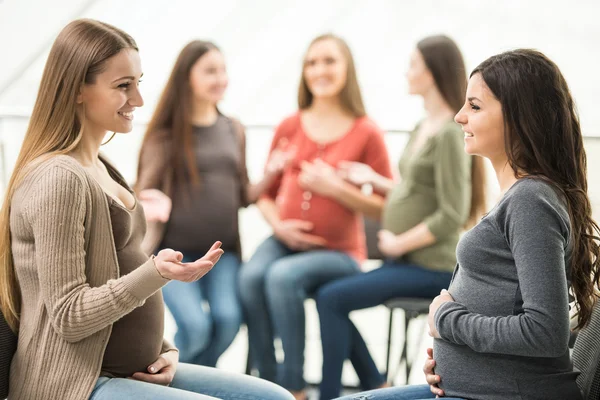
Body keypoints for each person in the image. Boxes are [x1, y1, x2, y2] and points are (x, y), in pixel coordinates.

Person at [0, 19, 294, 400]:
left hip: (127, 370)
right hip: (76, 383)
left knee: (275, 398)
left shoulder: (103, 167)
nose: (138, 100)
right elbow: (70, 317)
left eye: (138, 82)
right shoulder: (60, 178)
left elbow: (119, 283)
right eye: (124, 86)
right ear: (76, 90)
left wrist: (164, 351)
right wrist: (155, 273)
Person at [335, 49, 600, 400]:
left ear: (519, 118)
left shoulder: (530, 200)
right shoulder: (521, 196)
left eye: (474, 107)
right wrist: (451, 360)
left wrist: (447, 321)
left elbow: (544, 332)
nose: (460, 117)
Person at [315, 35, 487, 400]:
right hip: (406, 259)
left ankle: (333, 394)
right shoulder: (422, 125)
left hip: (432, 266)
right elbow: (415, 190)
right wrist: (374, 179)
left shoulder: (448, 136)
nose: (407, 72)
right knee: (331, 297)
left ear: (432, 72)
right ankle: (375, 385)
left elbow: (452, 213)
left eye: (413, 65)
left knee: (332, 298)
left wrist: (397, 241)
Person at [238, 34, 393, 400]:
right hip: (284, 241)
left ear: (346, 69)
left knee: (281, 277)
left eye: (329, 61)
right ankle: (265, 381)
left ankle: (293, 388)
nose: (319, 70)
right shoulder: (289, 125)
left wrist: (334, 189)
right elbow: (265, 195)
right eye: (311, 63)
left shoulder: (366, 130)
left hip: (339, 254)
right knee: (250, 277)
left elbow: (389, 206)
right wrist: (280, 227)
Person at [135, 40, 290, 367]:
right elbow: (142, 192)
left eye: (222, 70)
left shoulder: (233, 129)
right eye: (210, 71)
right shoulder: (165, 134)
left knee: (228, 321)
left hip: (223, 253)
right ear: (186, 77)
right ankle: (175, 382)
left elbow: (244, 194)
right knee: (196, 326)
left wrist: (272, 175)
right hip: (173, 254)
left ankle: (180, 382)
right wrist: (152, 200)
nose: (220, 78)